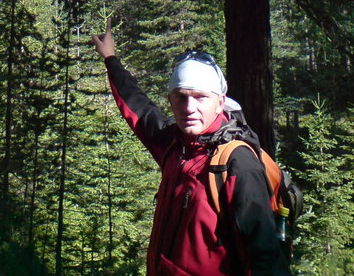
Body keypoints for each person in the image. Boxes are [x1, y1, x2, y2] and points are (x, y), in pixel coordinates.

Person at [91, 18, 292, 276]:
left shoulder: (237, 163)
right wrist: (111, 59)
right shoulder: (175, 144)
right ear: (171, 100)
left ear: (220, 103)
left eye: (200, 98)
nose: (189, 108)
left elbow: (266, 258)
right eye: (180, 97)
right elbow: (139, 108)